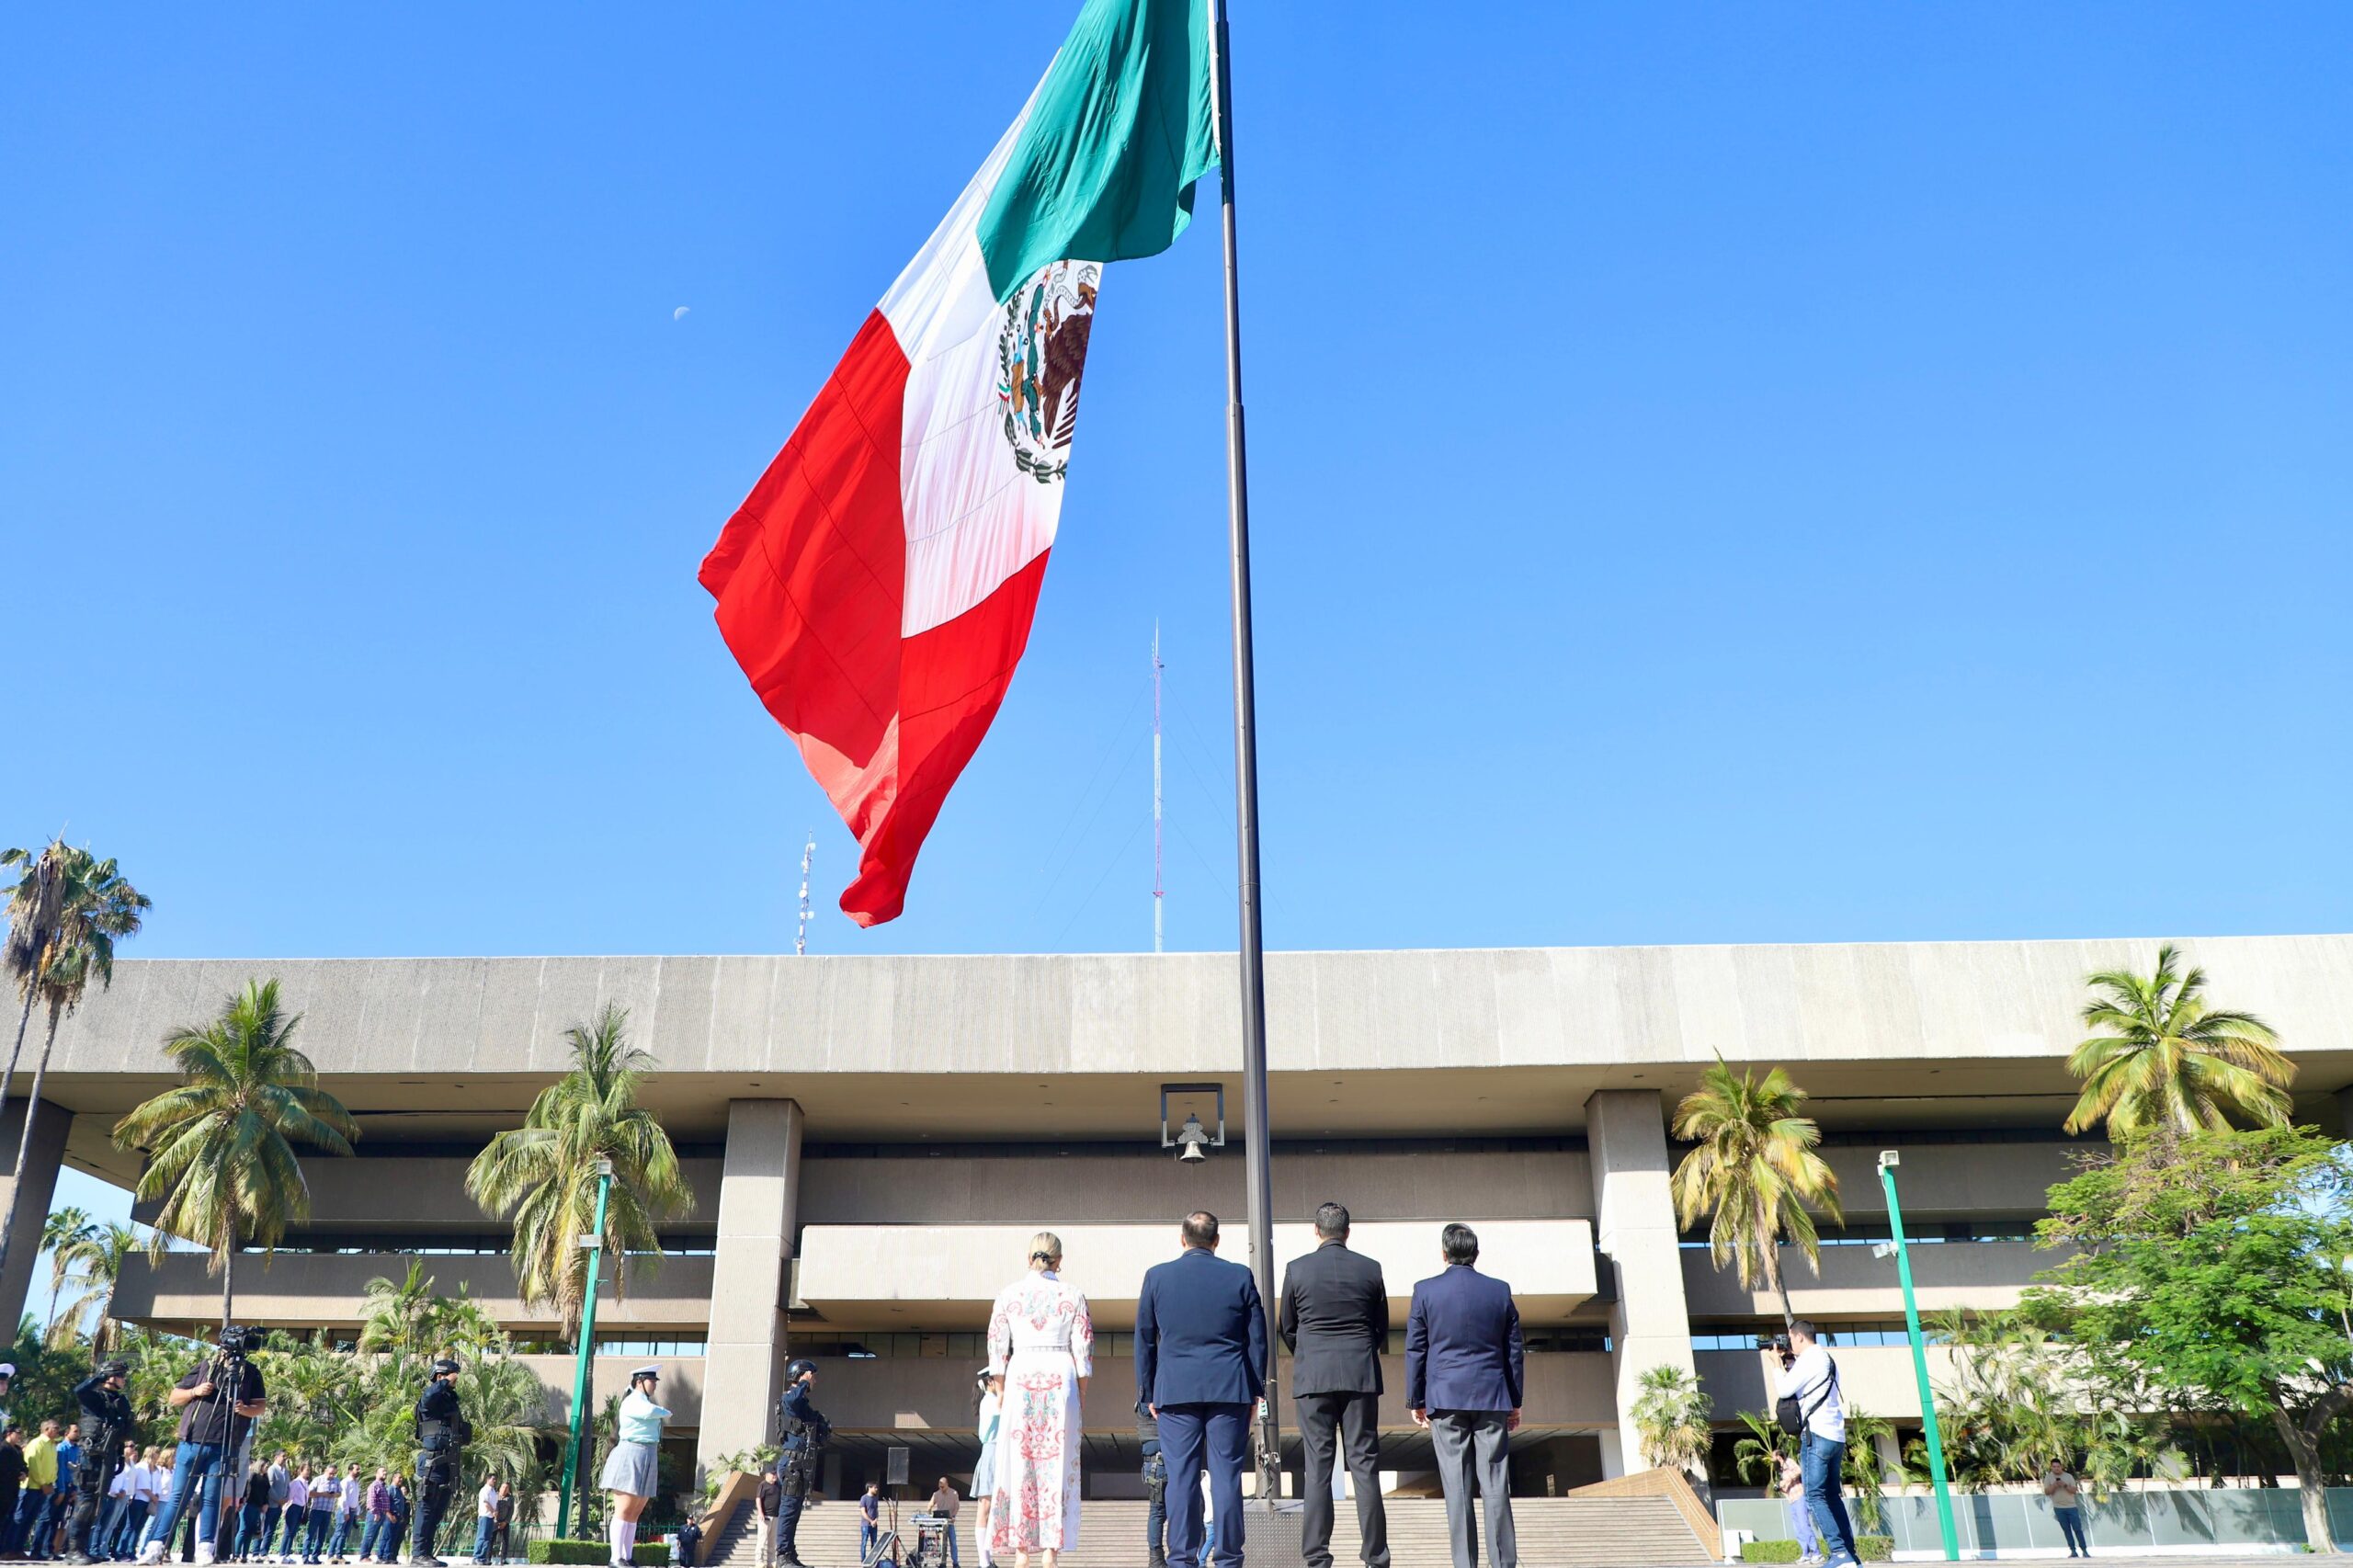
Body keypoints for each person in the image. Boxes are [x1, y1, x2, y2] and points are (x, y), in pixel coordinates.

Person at [1135, 1211, 1266, 1568]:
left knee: (1181, 1479)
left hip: (1175, 1390)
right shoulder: (1239, 1275)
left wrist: (1147, 1392)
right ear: (1216, 1240)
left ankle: (1181, 1559)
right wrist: (1256, 1391)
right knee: (1226, 1477)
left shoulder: (1157, 1277)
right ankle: (1228, 1559)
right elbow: (1256, 1338)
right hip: (1229, 1388)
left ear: (1182, 1239)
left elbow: (1145, 1338)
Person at [1406, 1222, 1523, 1568]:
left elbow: (1416, 1349)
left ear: (1444, 1254)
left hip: (1444, 1398)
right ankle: (1503, 1563)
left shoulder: (1425, 1291)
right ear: (1476, 1254)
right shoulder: (1499, 1291)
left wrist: (1417, 1400)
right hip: (1492, 1397)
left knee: (1456, 1487)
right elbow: (1513, 1350)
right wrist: (1514, 1402)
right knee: (1496, 1485)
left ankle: (1464, 1564)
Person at [1281, 1203, 1390, 1568]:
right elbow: (1380, 1328)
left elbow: (1288, 1327)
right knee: (1364, 1465)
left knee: (1318, 1468)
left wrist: (1311, 1353)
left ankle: (1316, 1557)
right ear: (1348, 1231)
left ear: (1316, 1230)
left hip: (1313, 1377)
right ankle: (1375, 1557)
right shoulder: (1370, 1269)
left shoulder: (1297, 1269)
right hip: (1360, 1374)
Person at [985, 1232, 1094, 1568]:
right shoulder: (1073, 1294)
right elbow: (1084, 1350)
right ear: (1059, 1261)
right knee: (1056, 1464)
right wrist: (1082, 1395)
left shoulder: (1007, 1295)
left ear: (1027, 1257)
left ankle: (1021, 1552)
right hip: (1060, 1374)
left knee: (1018, 1461)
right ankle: (1050, 1550)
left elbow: (997, 1346)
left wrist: (1001, 1390)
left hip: (1021, 1373)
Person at [1776, 1321, 1857, 1568]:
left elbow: (1784, 1389)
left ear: (1798, 1337)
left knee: (1814, 1495)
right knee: (1832, 1495)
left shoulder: (1809, 1360)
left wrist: (1774, 1366)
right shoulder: (1827, 1360)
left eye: (1790, 1339)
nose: (1789, 1344)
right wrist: (1789, 1363)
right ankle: (1850, 1556)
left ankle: (1839, 1553)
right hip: (1835, 1435)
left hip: (1817, 1435)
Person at [65, 1361, 134, 1565]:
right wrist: (100, 1377)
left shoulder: (120, 1400)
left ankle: (84, 1548)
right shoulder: (94, 1397)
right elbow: (79, 1391)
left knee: (96, 1503)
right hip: (91, 1455)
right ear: (111, 1377)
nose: (124, 1379)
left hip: (109, 1456)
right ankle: (73, 1550)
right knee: (86, 1502)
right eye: (120, 1375)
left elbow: (125, 1429)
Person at [598, 1368, 668, 1568]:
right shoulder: (633, 1401)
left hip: (648, 1453)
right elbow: (652, 1412)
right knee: (624, 1509)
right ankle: (615, 1557)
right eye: (651, 1381)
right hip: (632, 1452)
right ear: (640, 1382)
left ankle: (627, 1556)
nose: (654, 1384)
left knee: (635, 1512)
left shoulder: (645, 1401)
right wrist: (666, 1411)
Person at [410, 1358, 471, 1566]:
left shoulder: (448, 1400)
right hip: (433, 1461)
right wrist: (445, 1382)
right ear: (440, 1376)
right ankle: (418, 1554)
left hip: (448, 1462)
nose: (456, 1380)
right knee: (426, 1506)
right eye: (453, 1375)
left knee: (438, 1510)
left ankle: (426, 1553)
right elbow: (429, 1395)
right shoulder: (431, 1399)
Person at [772, 1360, 828, 1568]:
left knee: (794, 1512)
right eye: (813, 1375)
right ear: (804, 1375)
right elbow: (794, 1400)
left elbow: (813, 1422)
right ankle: (783, 1557)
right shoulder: (790, 1398)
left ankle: (790, 1555)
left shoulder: (801, 1404)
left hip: (799, 1463)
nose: (815, 1380)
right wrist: (804, 1382)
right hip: (792, 1463)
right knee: (788, 1511)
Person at [969, 1372, 999, 1568]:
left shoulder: (993, 1400)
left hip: (998, 1452)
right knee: (985, 1508)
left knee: (988, 1509)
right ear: (990, 1382)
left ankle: (986, 1559)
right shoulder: (990, 1401)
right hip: (992, 1452)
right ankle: (984, 1560)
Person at [21, 1418, 63, 1562]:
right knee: (23, 1519)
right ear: (47, 1429)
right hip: (33, 1487)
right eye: (56, 1428)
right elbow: (33, 1464)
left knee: (39, 1519)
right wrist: (43, 1483)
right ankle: (13, 1549)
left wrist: (51, 1482)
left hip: (47, 1488)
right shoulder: (37, 1443)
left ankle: (36, 1550)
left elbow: (54, 1466)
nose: (58, 1431)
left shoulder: (52, 1445)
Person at [1135, 1405, 1165, 1568]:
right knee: (1164, 1510)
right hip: (1162, 1459)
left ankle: (1156, 1558)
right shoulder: (1157, 1399)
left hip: (1152, 1463)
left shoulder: (1142, 1402)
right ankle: (1158, 1558)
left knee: (1157, 1510)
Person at [1777, 1452, 1818, 1565]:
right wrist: (1780, 1487)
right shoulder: (1780, 1470)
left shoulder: (1788, 1462)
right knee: (1798, 1529)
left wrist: (1786, 1481)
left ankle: (1816, 1553)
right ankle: (1806, 1553)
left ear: (1779, 1457)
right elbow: (1785, 1487)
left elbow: (1799, 1470)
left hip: (1799, 1496)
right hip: (1791, 1499)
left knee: (1804, 1525)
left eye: (1773, 1458)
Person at [2044, 1459, 2088, 1558]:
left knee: (2077, 1529)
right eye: (2054, 1467)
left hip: (2071, 1507)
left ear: (2061, 1466)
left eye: (2058, 1467)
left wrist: (2064, 1485)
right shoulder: (2048, 1477)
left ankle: (2084, 1550)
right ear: (2051, 1467)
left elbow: (2074, 1490)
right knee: (2066, 1530)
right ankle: (2073, 1551)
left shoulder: (2068, 1476)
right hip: (2058, 1508)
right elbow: (2047, 1492)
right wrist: (2055, 1485)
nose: (2056, 1469)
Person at [2, 1428, 32, 1558]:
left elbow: (24, 1465)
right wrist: (16, 1473)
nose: (19, 1436)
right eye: (17, 1433)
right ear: (9, 1433)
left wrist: (24, 1472)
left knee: (8, 1521)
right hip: (3, 1489)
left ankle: (5, 1549)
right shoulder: (3, 1448)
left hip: (14, 1489)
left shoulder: (18, 1450)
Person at [329, 1470, 363, 1565]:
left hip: (352, 1511)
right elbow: (343, 1498)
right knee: (338, 1533)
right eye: (357, 1469)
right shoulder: (345, 1482)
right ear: (350, 1470)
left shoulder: (356, 1483)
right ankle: (330, 1555)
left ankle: (339, 1555)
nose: (358, 1471)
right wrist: (346, 1512)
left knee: (344, 1534)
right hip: (343, 1511)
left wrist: (357, 1512)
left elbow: (356, 1498)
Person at [357, 1472, 392, 1566]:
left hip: (382, 1514)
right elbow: (371, 1501)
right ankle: (363, 1556)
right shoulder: (375, 1485)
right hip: (375, 1514)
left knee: (374, 1535)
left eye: (385, 1472)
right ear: (377, 1474)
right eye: (382, 1471)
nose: (385, 1473)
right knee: (369, 1535)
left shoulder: (383, 1486)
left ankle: (367, 1555)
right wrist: (375, 1513)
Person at [305, 1466, 337, 1565]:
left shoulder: (336, 1481)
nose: (332, 1476)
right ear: (325, 1471)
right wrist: (322, 1494)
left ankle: (315, 1556)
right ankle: (305, 1556)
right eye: (330, 1473)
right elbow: (309, 1492)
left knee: (322, 1535)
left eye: (334, 1474)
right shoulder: (318, 1480)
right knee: (310, 1534)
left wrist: (333, 1495)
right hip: (317, 1510)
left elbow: (340, 1493)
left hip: (328, 1511)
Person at [280, 1468, 313, 1562]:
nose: (308, 1472)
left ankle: (287, 1553)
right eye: (306, 1470)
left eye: (308, 1470)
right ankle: (282, 1554)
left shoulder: (305, 1483)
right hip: (294, 1507)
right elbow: (290, 1496)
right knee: (288, 1531)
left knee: (293, 1532)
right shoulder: (296, 1482)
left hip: (301, 1508)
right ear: (301, 1470)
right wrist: (285, 1509)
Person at [926, 1480, 960, 1568]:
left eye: (943, 1487)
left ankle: (955, 1563)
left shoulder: (954, 1493)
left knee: (953, 1543)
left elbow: (957, 1506)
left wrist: (953, 1515)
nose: (941, 1488)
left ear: (947, 1485)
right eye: (940, 1487)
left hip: (950, 1522)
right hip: (940, 1523)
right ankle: (942, 1562)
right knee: (940, 1543)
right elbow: (931, 1503)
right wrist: (929, 1508)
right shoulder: (936, 1494)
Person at [468, 1478, 498, 1568]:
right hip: (485, 1515)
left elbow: (494, 1503)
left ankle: (483, 1557)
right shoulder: (485, 1490)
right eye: (493, 1479)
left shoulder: (493, 1491)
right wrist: (493, 1511)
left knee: (487, 1538)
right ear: (487, 1479)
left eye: (495, 1479)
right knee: (482, 1536)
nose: (494, 1481)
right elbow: (485, 1503)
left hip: (490, 1517)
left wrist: (495, 1512)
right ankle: (477, 1556)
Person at [489, 1483, 513, 1566]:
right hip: (494, 1521)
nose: (504, 1489)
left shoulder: (510, 1498)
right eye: (503, 1487)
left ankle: (503, 1559)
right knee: (491, 1540)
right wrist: (495, 1520)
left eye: (507, 1488)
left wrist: (505, 1522)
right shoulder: (495, 1495)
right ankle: (488, 1558)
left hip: (505, 1522)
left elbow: (511, 1511)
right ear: (500, 1488)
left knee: (505, 1541)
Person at [857, 1483, 881, 1564]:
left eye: (877, 1488)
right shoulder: (864, 1498)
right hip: (866, 1525)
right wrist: (871, 1521)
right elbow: (863, 1512)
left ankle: (873, 1560)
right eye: (875, 1488)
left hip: (874, 1525)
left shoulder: (875, 1498)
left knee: (874, 1543)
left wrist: (876, 1520)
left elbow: (876, 1511)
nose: (876, 1489)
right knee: (864, 1542)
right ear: (870, 1488)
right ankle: (863, 1560)